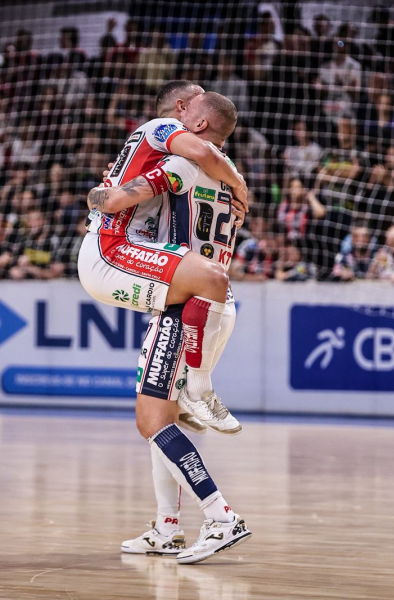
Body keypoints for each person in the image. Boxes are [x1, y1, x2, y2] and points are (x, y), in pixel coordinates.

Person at [86, 92, 252, 565]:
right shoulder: (227, 177)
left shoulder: (180, 164)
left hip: (189, 305)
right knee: (166, 419)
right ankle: (167, 527)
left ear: (192, 123)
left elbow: (122, 199)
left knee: (152, 421)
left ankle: (221, 517)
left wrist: (111, 191)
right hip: (210, 300)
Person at [80, 81, 247, 435]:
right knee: (216, 285)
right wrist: (239, 184)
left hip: (157, 258)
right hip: (117, 248)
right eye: (196, 98)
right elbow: (205, 156)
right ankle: (197, 391)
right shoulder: (165, 129)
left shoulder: (181, 162)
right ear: (183, 108)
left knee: (157, 421)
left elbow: (108, 196)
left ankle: (188, 391)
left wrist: (101, 191)